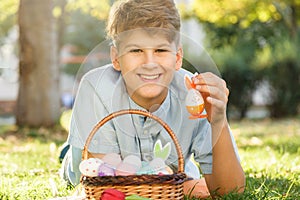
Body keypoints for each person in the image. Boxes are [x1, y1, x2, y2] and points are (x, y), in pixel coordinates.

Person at [60, 0, 245, 198]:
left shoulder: (195, 95)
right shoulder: (95, 87)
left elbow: (231, 191)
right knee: (72, 157)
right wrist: (186, 187)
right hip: (88, 160)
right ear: (116, 57)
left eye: (161, 50)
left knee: (174, 165)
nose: (149, 64)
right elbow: (105, 187)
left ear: (178, 57)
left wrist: (218, 121)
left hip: (169, 166)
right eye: (136, 50)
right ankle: (67, 150)